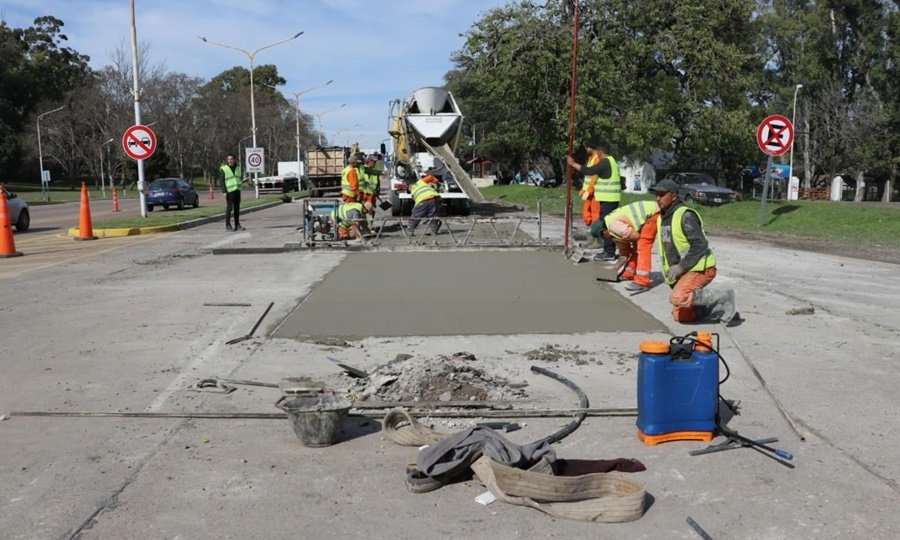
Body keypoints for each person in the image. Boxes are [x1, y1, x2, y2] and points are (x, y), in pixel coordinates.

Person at [650, 179, 738, 325]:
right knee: (681, 317)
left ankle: (722, 298)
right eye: (656, 195)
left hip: (701, 268)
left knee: (677, 297)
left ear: (673, 196)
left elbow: (700, 244)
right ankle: (715, 309)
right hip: (686, 270)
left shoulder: (685, 215)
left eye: (662, 194)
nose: (658, 198)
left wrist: (681, 267)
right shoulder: (663, 217)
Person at [566, 139, 621, 259]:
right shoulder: (612, 161)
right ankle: (609, 250)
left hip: (608, 199)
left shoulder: (605, 162)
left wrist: (573, 164)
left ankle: (609, 252)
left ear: (600, 151)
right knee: (607, 225)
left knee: (604, 225)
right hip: (610, 199)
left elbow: (589, 171)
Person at [600, 200, 659, 292]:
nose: (605, 239)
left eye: (603, 236)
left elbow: (636, 236)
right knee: (637, 245)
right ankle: (629, 273)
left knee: (642, 245)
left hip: (652, 213)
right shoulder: (613, 233)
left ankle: (642, 281)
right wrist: (615, 268)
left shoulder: (614, 226)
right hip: (644, 217)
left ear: (604, 231)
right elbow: (624, 253)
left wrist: (629, 241)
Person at [407, 168, 441, 234]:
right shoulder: (421, 182)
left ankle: (410, 228)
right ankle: (434, 230)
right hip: (434, 199)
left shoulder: (413, 192)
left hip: (423, 201)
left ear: (409, 186)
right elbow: (430, 177)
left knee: (416, 214)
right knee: (433, 215)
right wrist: (436, 181)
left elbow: (417, 203)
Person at [219, 153, 245, 231]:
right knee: (229, 208)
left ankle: (237, 224)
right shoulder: (224, 169)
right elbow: (222, 181)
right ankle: (228, 225)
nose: (230, 161)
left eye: (231, 159)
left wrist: (242, 181)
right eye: (228, 159)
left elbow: (239, 178)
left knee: (237, 208)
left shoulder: (238, 168)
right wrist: (224, 191)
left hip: (237, 190)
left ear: (234, 159)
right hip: (229, 191)